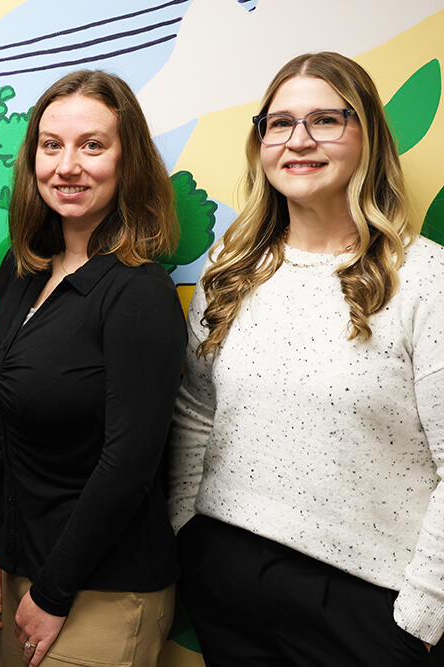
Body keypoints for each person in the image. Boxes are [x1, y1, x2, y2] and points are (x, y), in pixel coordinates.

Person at [168, 51, 444, 666]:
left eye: (325, 120)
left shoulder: (427, 280)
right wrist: (187, 530)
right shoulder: (229, 272)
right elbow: (196, 411)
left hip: (367, 602)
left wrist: (422, 616)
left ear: (367, 135)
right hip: (227, 576)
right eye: (280, 123)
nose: (299, 140)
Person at [0, 69, 186, 667]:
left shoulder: (140, 291)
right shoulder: (21, 271)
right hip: (19, 574)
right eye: (51, 145)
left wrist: (54, 590)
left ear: (127, 160)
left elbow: (128, 463)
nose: (67, 166)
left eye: (92, 145)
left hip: (99, 590)